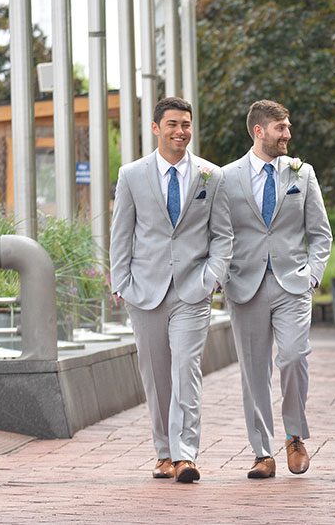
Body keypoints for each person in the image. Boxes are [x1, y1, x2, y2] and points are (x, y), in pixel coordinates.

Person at [109, 96, 232, 483]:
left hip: (193, 291)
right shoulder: (132, 175)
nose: (181, 131)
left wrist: (212, 277)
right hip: (144, 290)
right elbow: (121, 233)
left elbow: (223, 235)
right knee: (156, 374)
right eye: (173, 124)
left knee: (186, 369)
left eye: (186, 124)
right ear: (156, 128)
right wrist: (121, 282)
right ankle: (163, 452)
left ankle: (185, 455)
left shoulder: (211, 175)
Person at [221, 100, 332, 480]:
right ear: (259, 131)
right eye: (280, 128)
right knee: (254, 370)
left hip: (293, 283)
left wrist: (313, 275)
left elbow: (320, 233)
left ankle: (295, 436)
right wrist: (223, 276)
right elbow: (219, 232)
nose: (288, 134)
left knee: (294, 356)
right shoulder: (226, 177)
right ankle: (262, 452)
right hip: (245, 284)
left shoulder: (303, 174)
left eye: (288, 127)